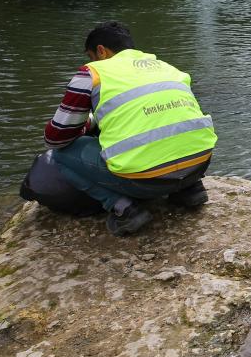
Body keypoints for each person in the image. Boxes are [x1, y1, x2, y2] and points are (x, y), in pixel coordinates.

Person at [40, 21, 216, 236]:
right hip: (199, 165)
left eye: (91, 56)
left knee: (61, 154)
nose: (91, 62)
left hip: (146, 182)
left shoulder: (93, 73)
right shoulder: (166, 67)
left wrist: (86, 126)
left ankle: (124, 209)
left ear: (101, 51)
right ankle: (189, 189)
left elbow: (55, 138)